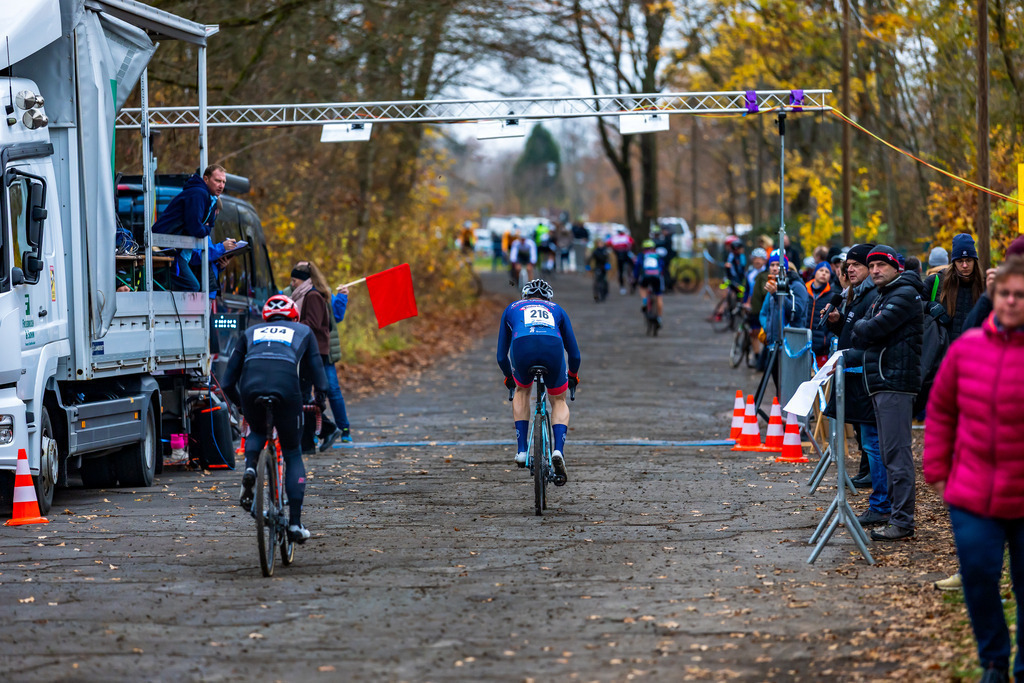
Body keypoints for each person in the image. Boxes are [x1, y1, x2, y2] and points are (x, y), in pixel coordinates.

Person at [922, 255, 1024, 683]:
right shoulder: (967, 349)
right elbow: (941, 411)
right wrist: (938, 470)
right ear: (993, 295)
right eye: (1005, 293)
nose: (1013, 301)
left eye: (1021, 295)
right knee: (979, 577)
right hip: (973, 491)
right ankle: (994, 661)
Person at [222, 294, 327, 543]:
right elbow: (319, 376)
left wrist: (240, 406)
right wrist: (319, 401)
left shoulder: (251, 332)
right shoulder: (302, 331)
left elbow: (226, 381)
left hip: (251, 387)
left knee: (257, 431)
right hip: (286, 387)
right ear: (294, 315)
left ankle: (250, 469)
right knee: (292, 452)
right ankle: (295, 524)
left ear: (266, 316)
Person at [846, 246, 923, 541]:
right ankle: (895, 515)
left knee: (897, 455)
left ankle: (902, 521)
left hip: (895, 383)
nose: (875, 270)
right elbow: (858, 329)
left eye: (881, 265)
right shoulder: (883, 295)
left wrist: (864, 327)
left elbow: (868, 329)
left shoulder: (903, 294)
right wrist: (863, 327)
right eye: (872, 265)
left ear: (896, 267)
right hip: (881, 382)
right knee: (890, 454)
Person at [496, 279, 581, 485]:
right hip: (552, 347)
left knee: (522, 391)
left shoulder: (512, 308)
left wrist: (509, 377)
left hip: (522, 346)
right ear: (548, 298)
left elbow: (501, 356)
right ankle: (558, 451)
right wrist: (573, 375)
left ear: (525, 296)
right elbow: (575, 354)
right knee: (558, 401)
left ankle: (522, 451)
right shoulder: (557, 309)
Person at [824, 244, 886, 517]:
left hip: (867, 376)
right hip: (856, 373)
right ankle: (879, 499)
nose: (849, 269)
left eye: (856, 265)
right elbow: (853, 330)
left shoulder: (871, 295)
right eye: (847, 264)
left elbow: (868, 335)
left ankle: (882, 503)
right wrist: (837, 322)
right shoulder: (855, 294)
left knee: (873, 442)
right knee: (867, 440)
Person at [290, 261, 341, 455]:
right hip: (311, 350)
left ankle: (325, 431)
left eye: (294, 280)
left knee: (303, 395)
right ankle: (312, 440)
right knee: (303, 395)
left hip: (313, 351)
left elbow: (312, 324)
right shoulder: (308, 295)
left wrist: (291, 324)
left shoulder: (312, 296)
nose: (292, 284)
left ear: (302, 280)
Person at [151, 165, 227, 292]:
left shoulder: (210, 198)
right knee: (192, 286)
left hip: (180, 251)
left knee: (192, 285)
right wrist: (205, 229)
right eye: (217, 181)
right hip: (166, 249)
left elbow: (209, 225)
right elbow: (195, 228)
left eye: (223, 182)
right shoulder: (198, 194)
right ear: (206, 179)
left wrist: (205, 228)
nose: (221, 185)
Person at [924, 233, 985, 343]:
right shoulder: (936, 282)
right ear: (953, 262)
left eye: (969, 260)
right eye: (960, 261)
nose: (965, 265)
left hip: (976, 353)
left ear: (975, 261)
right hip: (945, 353)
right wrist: (929, 305)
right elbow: (914, 304)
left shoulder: (985, 286)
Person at [324, 284, 353, 443]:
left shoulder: (325, 292)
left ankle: (344, 428)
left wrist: (341, 297)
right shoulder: (288, 293)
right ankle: (312, 431)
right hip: (303, 351)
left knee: (333, 390)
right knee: (306, 395)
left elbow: (337, 316)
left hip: (325, 352)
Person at [805, 261, 835, 368]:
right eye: (821, 270)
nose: (824, 273)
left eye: (827, 272)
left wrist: (826, 340)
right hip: (803, 344)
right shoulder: (804, 291)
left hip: (821, 348)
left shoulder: (832, 296)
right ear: (815, 272)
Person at [634, 239, 666, 328]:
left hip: (646, 276)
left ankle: (644, 302)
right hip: (657, 277)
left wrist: (635, 278)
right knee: (659, 297)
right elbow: (662, 267)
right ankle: (659, 318)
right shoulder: (657, 256)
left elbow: (637, 267)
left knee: (642, 287)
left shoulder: (642, 255)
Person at [607, 227, 635, 294]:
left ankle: (622, 287)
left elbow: (608, 243)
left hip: (619, 257)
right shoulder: (627, 237)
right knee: (632, 268)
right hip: (626, 255)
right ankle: (632, 281)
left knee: (621, 271)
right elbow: (633, 242)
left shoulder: (614, 238)